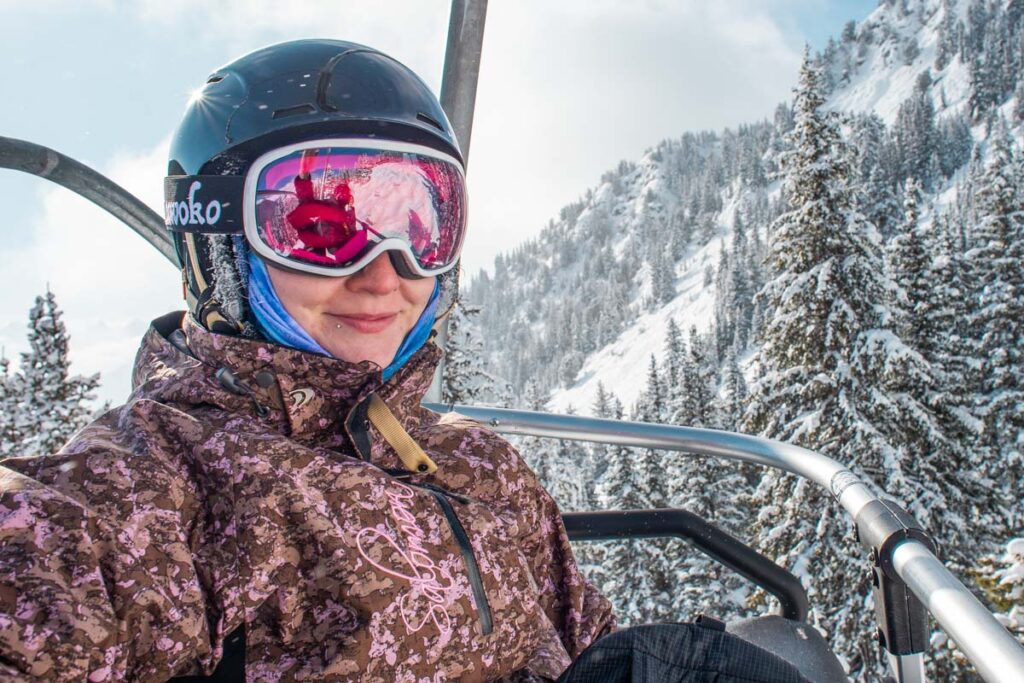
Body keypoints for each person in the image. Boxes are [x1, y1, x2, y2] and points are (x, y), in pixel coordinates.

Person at [0, 40, 615, 682]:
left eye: (419, 230)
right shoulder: (143, 494)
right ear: (220, 246)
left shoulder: (481, 465)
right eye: (321, 232)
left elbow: (581, 640)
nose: (384, 276)